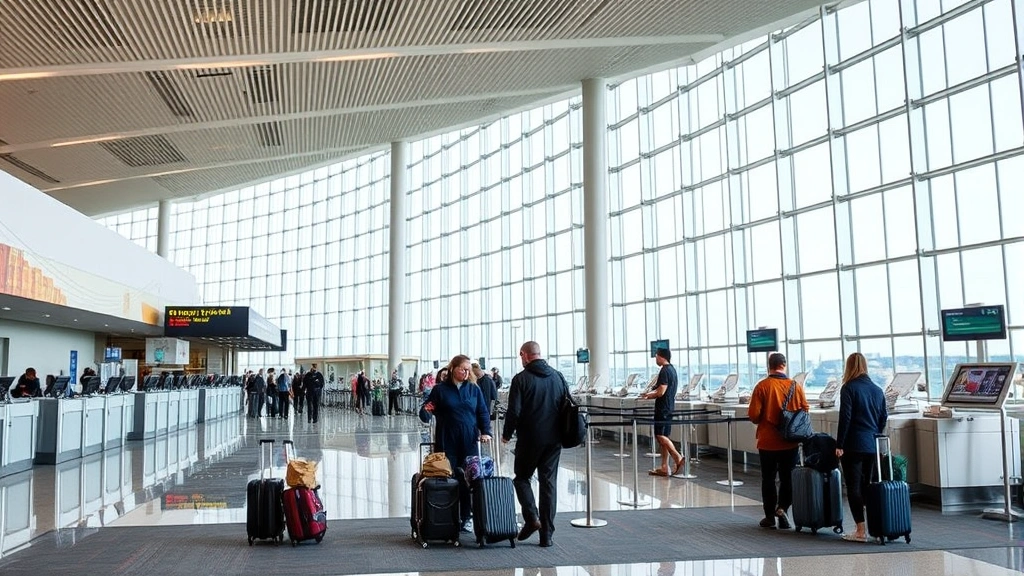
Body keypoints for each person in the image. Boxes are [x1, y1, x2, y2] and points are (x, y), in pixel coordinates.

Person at [501, 341, 567, 548]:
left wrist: (506, 434)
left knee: (521, 479)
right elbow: (567, 405)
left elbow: (514, 411)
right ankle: (547, 535)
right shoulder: (558, 376)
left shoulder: (521, 379)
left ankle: (531, 518)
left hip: (530, 439)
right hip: (554, 440)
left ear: (524, 355)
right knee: (549, 484)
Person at [419, 354, 492, 533]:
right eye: (463, 369)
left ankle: (466, 517)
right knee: (448, 477)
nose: (466, 373)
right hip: (447, 440)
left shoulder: (474, 389)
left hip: (469, 440)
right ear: (453, 368)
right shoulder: (440, 390)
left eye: (468, 370)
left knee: (469, 479)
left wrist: (486, 432)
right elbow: (428, 408)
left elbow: (482, 411)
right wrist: (426, 412)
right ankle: (447, 516)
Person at [747, 352, 808, 530]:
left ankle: (769, 517)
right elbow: (805, 409)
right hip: (790, 442)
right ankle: (782, 510)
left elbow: (754, 415)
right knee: (788, 479)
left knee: (768, 479)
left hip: (768, 442)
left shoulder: (762, 386)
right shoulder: (795, 386)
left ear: (769, 366)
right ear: (784, 365)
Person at [835, 352, 888, 542]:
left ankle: (860, 530)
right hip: (872, 444)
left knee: (854, 487)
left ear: (848, 367)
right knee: (868, 486)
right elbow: (883, 417)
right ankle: (874, 527)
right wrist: (874, 433)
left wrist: (839, 444)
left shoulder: (848, 388)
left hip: (854, 444)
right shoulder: (877, 389)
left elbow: (845, 418)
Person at [640, 347, 684, 476]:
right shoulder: (672, 370)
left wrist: (648, 396)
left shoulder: (664, 371)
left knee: (660, 435)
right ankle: (664, 467)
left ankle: (677, 457)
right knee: (664, 437)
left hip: (663, 407)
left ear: (660, 356)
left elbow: (661, 391)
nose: (655, 359)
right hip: (669, 406)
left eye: (656, 356)